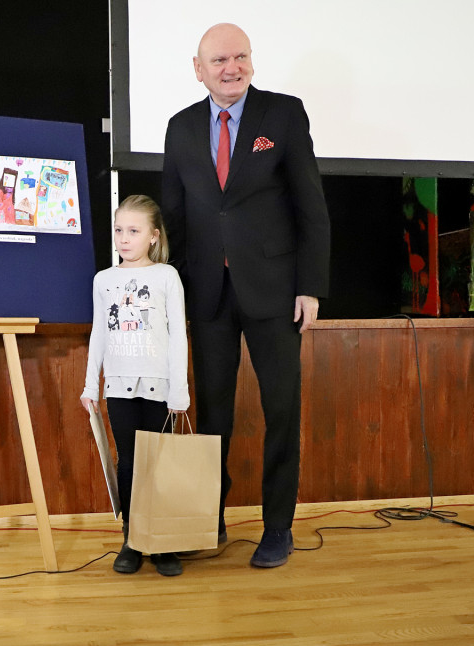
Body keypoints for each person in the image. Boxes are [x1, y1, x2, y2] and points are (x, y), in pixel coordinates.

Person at [162, 23, 331, 568]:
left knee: (281, 409)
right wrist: (171, 294)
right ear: (198, 68)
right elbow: (174, 218)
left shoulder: (282, 114)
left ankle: (277, 526)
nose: (230, 68)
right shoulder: (180, 128)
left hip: (275, 293)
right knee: (213, 415)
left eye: (240, 57)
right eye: (219, 61)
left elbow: (311, 206)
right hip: (207, 295)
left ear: (251, 61)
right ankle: (205, 520)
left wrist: (310, 286)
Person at [81, 195, 189, 577]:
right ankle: (132, 539)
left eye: (133, 231)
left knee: (158, 465)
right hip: (120, 386)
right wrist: (90, 384)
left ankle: (162, 542)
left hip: (160, 387)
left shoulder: (166, 277)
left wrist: (180, 389)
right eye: (119, 230)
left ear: (153, 236)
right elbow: (98, 334)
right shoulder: (104, 280)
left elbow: (178, 335)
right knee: (128, 462)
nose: (124, 239)